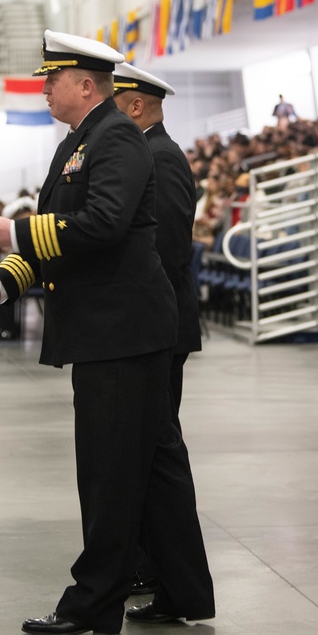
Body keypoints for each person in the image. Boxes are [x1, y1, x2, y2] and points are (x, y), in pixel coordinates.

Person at [0, 30, 215, 635]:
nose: (45, 88)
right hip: (115, 330)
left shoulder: (119, 141)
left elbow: (100, 226)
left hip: (123, 334)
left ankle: (94, 603)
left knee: (109, 472)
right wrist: (4, 282)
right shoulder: (81, 143)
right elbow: (66, 240)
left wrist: (16, 234)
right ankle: (184, 590)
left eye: (51, 79)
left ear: (86, 84)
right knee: (155, 467)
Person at [112, 62, 208, 598]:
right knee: (142, 447)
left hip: (160, 327)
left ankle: (155, 564)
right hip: (148, 325)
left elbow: (166, 251)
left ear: (136, 105)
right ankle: (146, 561)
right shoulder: (143, 153)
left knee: (153, 447)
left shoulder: (160, 157)